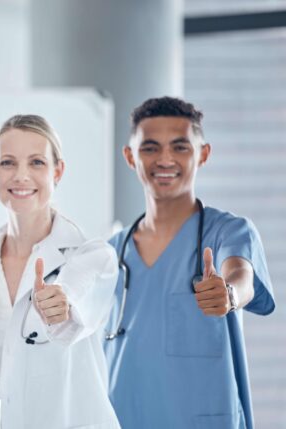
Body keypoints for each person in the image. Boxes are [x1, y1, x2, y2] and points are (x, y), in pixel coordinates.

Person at [104, 97, 276, 429]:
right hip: (123, 418)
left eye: (180, 147)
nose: (165, 159)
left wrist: (228, 294)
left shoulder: (228, 231)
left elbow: (241, 275)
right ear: (130, 156)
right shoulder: (112, 252)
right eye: (150, 148)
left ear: (203, 154)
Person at [0, 114, 120, 428]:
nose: (21, 176)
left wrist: (62, 303)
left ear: (58, 171)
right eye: (8, 163)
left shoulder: (93, 257)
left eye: (37, 162)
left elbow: (75, 291)